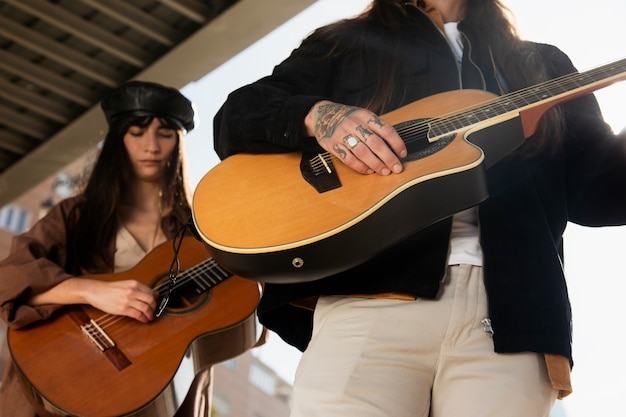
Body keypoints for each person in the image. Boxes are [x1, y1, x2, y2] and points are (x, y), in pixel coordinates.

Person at [213, 1, 626, 416]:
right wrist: (322, 115)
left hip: (513, 315)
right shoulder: (345, 44)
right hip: (369, 298)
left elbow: (598, 191)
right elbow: (237, 116)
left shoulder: (544, 63)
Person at [0, 81, 211, 416]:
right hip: (60, 390)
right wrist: (90, 291)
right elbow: (8, 283)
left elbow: (251, 326)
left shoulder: (205, 232)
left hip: (160, 396)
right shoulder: (77, 215)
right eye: (137, 132)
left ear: (179, 143)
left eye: (166, 133)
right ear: (117, 141)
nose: (152, 146)